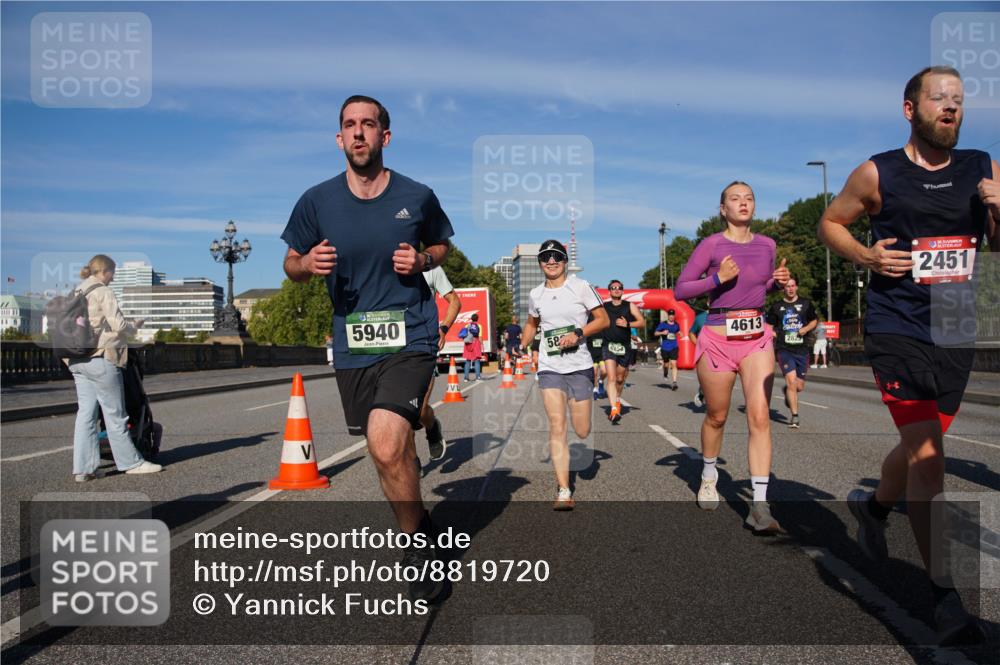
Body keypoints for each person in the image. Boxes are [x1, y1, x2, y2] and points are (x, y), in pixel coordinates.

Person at [818, 66, 998, 645]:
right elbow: (829, 223)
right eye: (938, 99)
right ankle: (945, 600)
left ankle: (873, 510)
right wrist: (865, 257)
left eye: (958, 100)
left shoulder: (982, 167)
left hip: (955, 325)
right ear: (910, 109)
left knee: (925, 443)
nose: (950, 108)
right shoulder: (878, 172)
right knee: (930, 460)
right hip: (897, 327)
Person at [281, 94, 454, 602]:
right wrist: (307, 264)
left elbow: (443, 243)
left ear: (385, 135)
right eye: (349, 126)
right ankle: (421, 524)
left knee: (384, 439)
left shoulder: (416, 195)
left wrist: (422, 259)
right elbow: (289, 263)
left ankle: (414, 549)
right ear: (339, 138)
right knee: (390, 453)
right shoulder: (317, 201)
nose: (359, 133)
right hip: (354, 344)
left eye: (369, 125)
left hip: (412, 334)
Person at [674, 181, 789, 533]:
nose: (743, 203)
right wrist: (717, 278)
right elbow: (681, 289)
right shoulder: (711, 244)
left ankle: (759, 505)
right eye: (735, 199)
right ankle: (708, 474)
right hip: (719, 337)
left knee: (759, 417)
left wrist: (777, 281)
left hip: (756, 336)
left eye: (749, 198)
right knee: (717, 415)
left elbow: (759, 286)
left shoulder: (767, 245)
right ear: (722, 209)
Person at [519, 239, 609, 510]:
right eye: (546, 257)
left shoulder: (581, 286)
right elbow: (532, 323)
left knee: (581, 431)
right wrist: (521, 344)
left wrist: (579, 333)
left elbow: (602, 319)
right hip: (550, 367)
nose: (551, 261)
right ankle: (563, 489)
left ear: (565, 260)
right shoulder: (536, 294)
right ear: (540, 263)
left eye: (556, 256)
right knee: (557, 425)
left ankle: (581, 425)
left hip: (580, 366)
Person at [67, 255, 162, 481]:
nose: (113, 277)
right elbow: (119, 325)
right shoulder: (102, 291)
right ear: (105, 271)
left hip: (77, 360)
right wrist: (134, 326)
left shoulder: (77, 291)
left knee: (86, 415)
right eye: (113, 272)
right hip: (100, 358)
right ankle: (131, 462)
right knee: (115, 414)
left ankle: (84, 469)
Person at [420, 266, 461, 461]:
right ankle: (410, 460)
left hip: (422, 345)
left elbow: (454, 301)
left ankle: (431, 426)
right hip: (390, 348)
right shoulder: (380, 264)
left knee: (419, 410)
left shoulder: (430, 268)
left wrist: (443, 328)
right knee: (400, 412)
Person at [766, 277, 818, 429]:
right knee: (791, 381)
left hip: (801, 349)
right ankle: (795, 416)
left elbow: (814, 321)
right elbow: (768, 326)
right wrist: (777, 335)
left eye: (793, 286)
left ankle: (788, 391)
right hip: (784, 349)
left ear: (796, 287)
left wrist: (805, 329)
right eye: (787, 286)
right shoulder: (777, 306)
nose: (790, 288)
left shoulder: (806, 303)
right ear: (784, 289)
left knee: (799, 386)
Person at [601, 280, 645, 424]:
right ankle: (614, 409)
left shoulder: (629, 306)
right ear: (609, 291)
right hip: (608, 345)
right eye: (613, 288)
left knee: (620, 379)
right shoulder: (604, 307)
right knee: (612, 378)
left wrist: (628, 324)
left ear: (622, 290)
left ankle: (617, 400)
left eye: (619, 288)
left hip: (624, 346)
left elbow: (641, 322)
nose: (616, 290)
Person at [654, 309, 681, 390]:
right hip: (665, 347)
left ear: (674, 316)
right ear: (668, 316)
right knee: (666, 365)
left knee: (674, 363)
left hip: (674, 346)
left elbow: (678, 331)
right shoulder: (663, 324)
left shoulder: (676, 324)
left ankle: (674, 382)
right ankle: (665, 373)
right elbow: (655, 333)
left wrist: (680, 333)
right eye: (670, 315)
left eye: (672, 315)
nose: (671, 316)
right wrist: (662, 333)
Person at [688, 309, 708, 407]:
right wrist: (699, 345)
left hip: (721, 352)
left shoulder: (725, 315)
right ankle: (702, 392)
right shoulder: (700, 318)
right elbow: (691, 333)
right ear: (708, 303)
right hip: (704, 353)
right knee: (706, 378)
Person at [586, 312, 607, 398]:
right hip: (592, 354)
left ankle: (601, 381)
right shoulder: (589, 329)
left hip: (602, 354)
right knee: (594, 372)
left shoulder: (604, 328)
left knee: (604, 371)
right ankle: (595, 388)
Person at [459, 313, 483, 382]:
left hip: (468, 344)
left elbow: (464, 335)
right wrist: (481, 344)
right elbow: (480, 337)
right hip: (476, 342)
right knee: (477, 360)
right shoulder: (479, 326)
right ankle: (478, 377)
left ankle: (466, 378)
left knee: (468, 360)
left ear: (471, 319)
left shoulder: (467, 325)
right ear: (477, 319)